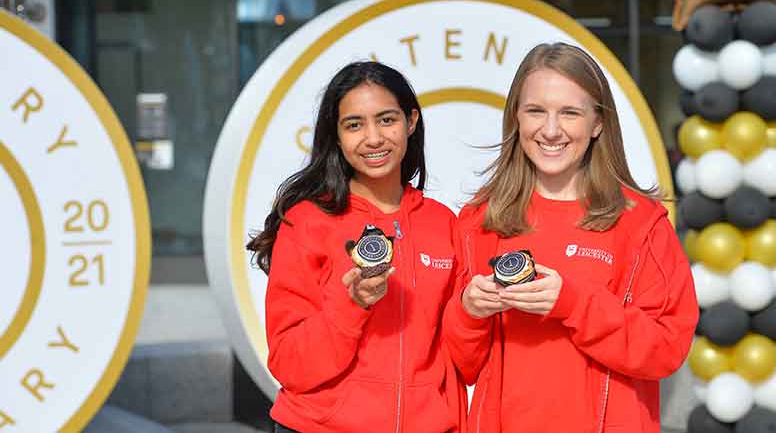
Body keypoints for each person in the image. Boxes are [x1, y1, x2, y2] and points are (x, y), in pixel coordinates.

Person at [442, 43, 698, 433]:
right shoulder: (479, 221)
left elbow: (666, 349)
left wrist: (573, 303)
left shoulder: (641, 223)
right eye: (536, 111)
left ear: (597, 123)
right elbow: (463, 364)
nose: (550, 130)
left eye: (569, 113)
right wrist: (469, 312)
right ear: (516, 118)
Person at [247, 61, 467, 433]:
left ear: (411, 122)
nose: (374, 138)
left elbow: (457, 355)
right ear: (336, 135)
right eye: (354, 125)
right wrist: (352, 304)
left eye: (386, 120)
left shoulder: (443, 223)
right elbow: (289, 365)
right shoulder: (307, 221)